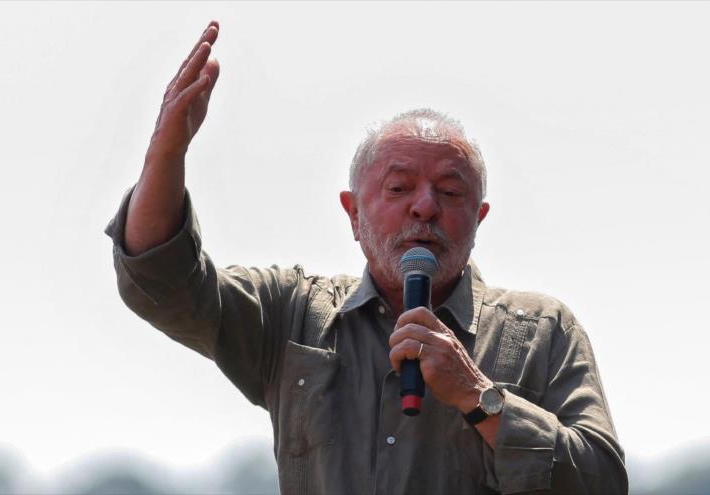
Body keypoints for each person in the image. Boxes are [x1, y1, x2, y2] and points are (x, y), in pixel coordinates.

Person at [105, 21, 627, 494]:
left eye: (449, 192)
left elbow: (603, 482)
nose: (424, 207)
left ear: (479, 218)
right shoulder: (293, 314)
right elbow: (163, 279)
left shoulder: (539, 331)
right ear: (353, 214)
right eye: (399, 187)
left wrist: (479, 397)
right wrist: (167, 153)